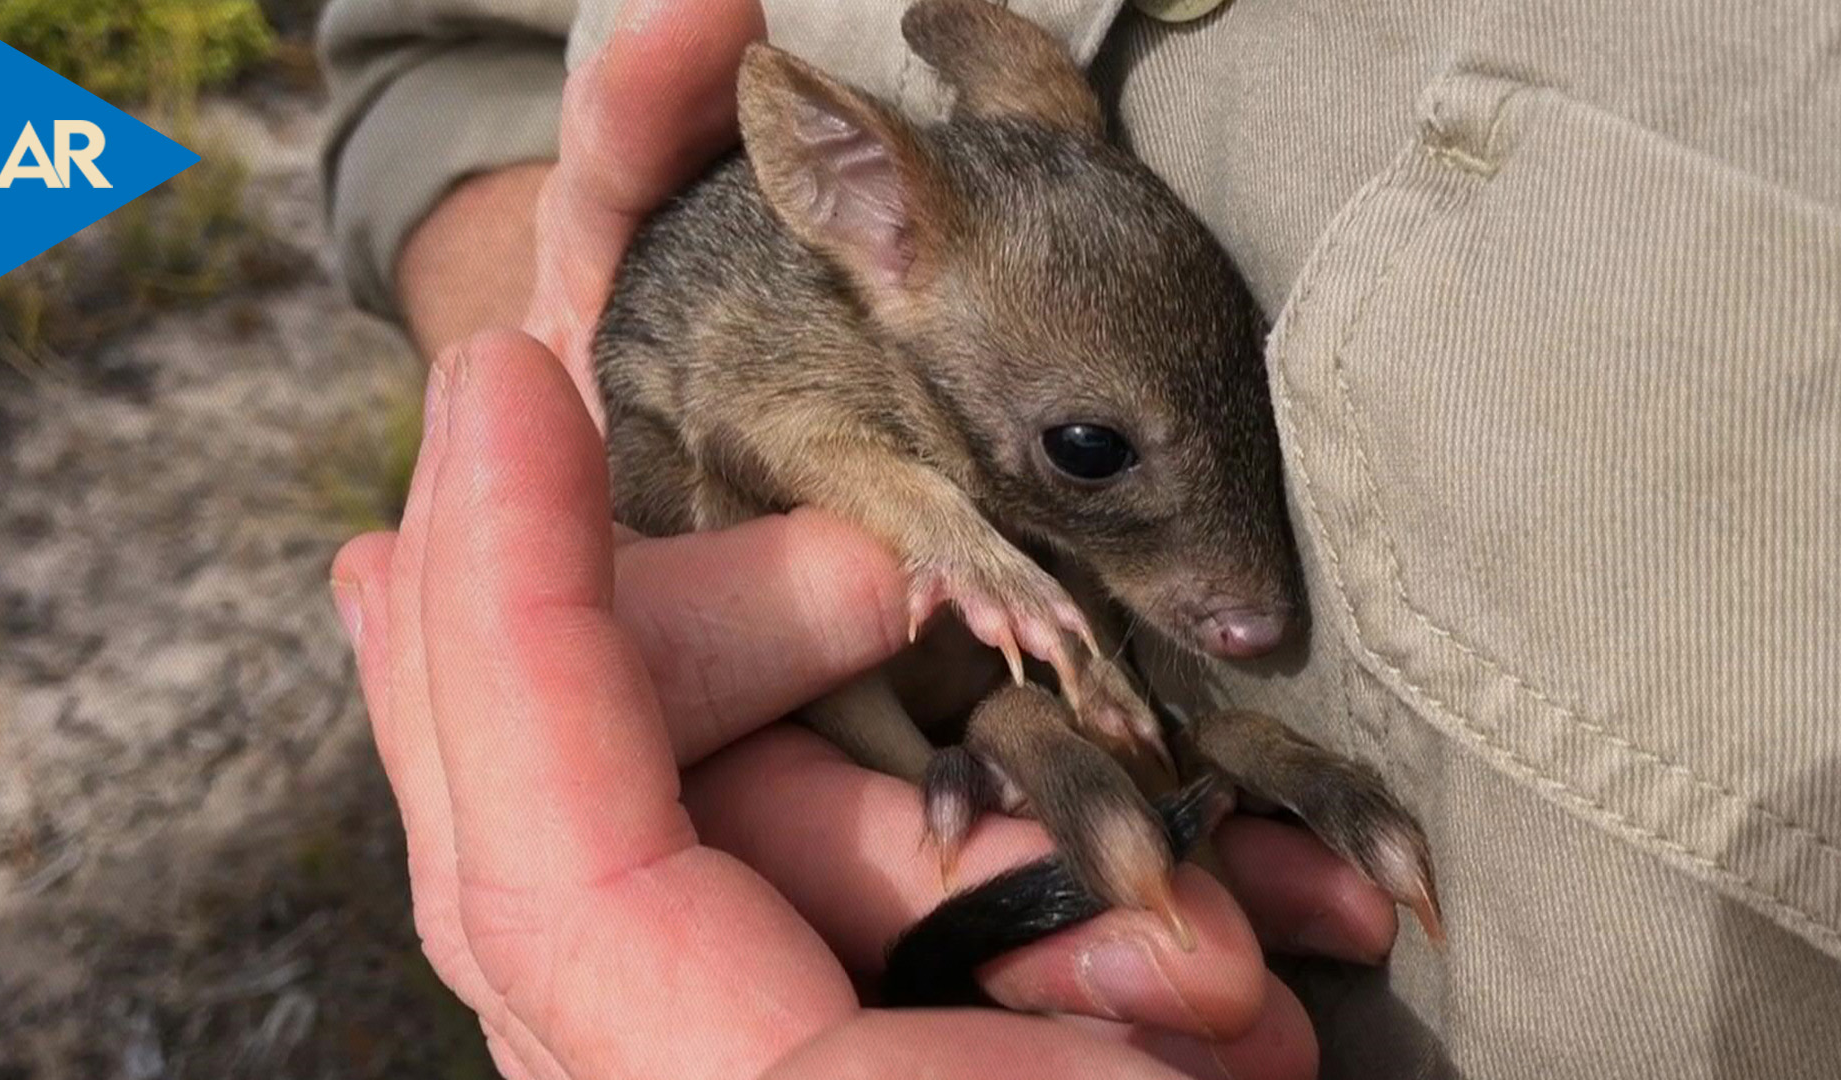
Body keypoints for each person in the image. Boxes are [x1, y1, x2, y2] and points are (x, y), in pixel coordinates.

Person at [318, 1, 1841, 1077]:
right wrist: (539, 404)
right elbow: (457, 64)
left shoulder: (1028, 274)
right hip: (749, 588)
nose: (1246, 603)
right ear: (868, 221)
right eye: (1095, 458)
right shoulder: (870, 294)